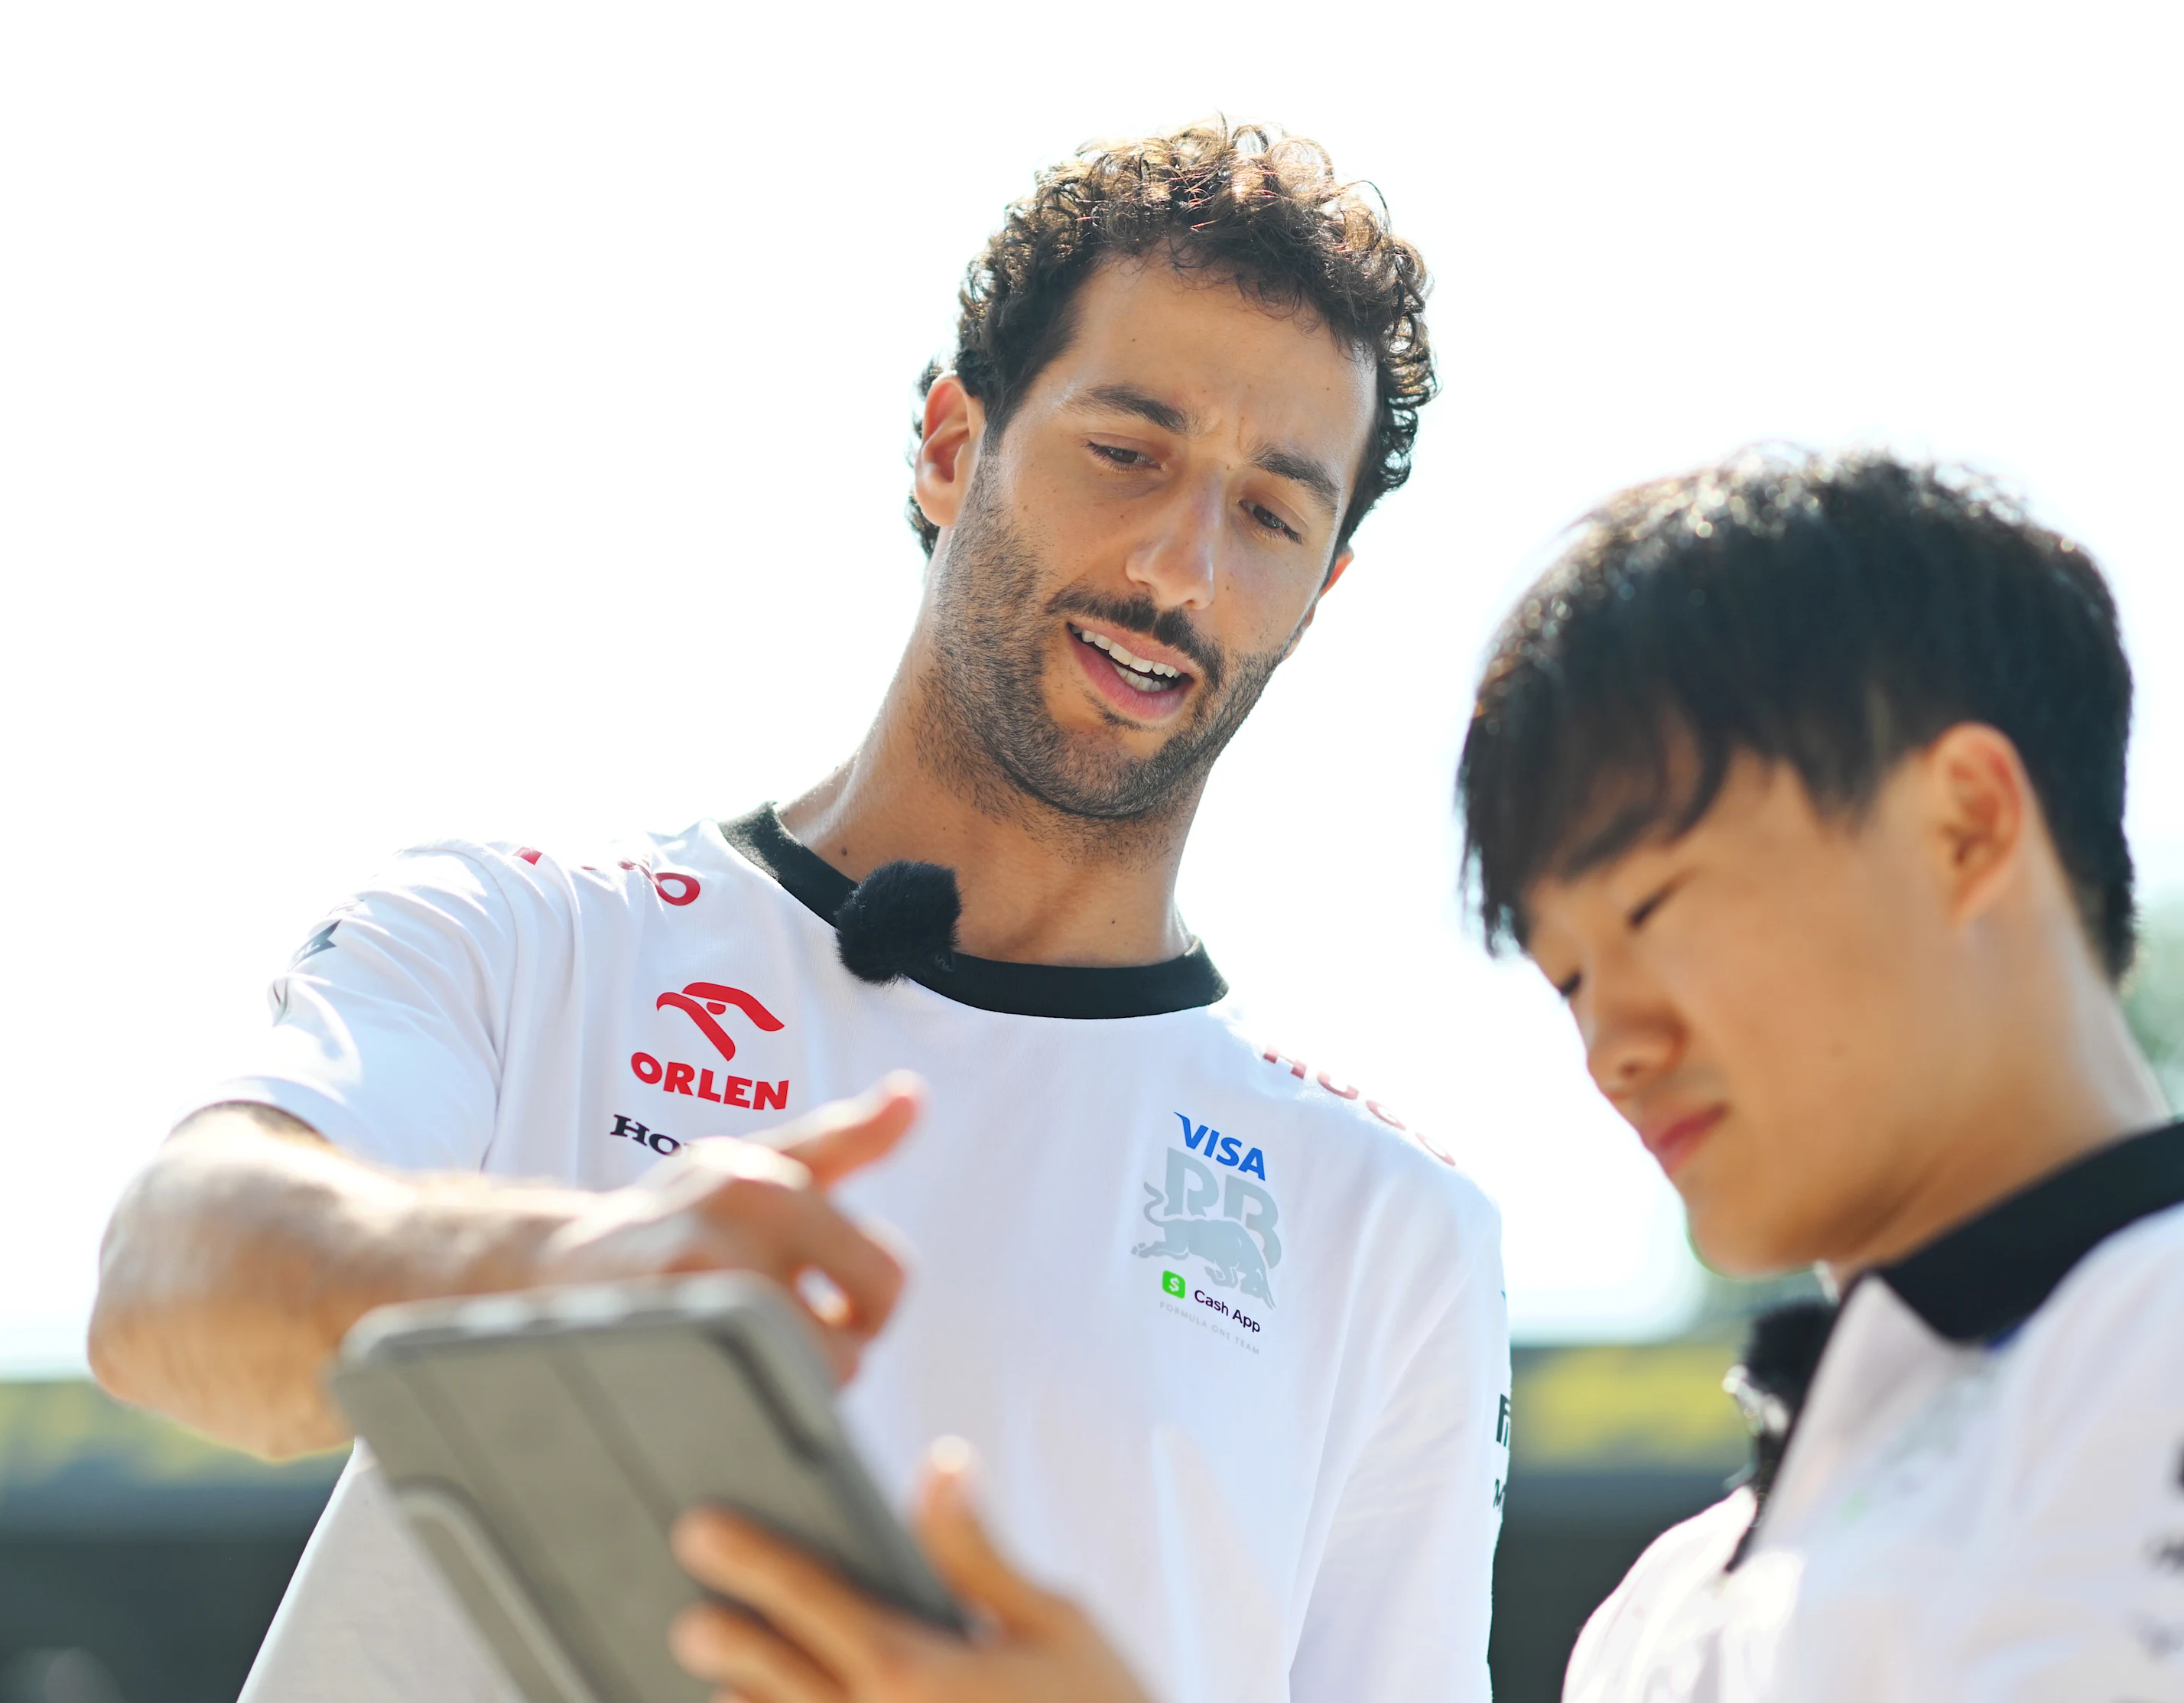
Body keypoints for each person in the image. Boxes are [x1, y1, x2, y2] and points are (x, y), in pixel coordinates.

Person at [659, 450, 2184, 1703]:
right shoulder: (1668, 1604)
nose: (1610, 1042)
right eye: (1567, 972)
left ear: (1968, 822)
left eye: (1661, 911)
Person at [86, 121, 1509, 1703]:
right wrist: (557, 1280)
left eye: (1268, 513)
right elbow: (162, 1285)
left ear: (1324, 587)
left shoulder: (1394, 1236)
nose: (1179, 568)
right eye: (1130, 451)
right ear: (953, 444)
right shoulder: (534, 939)